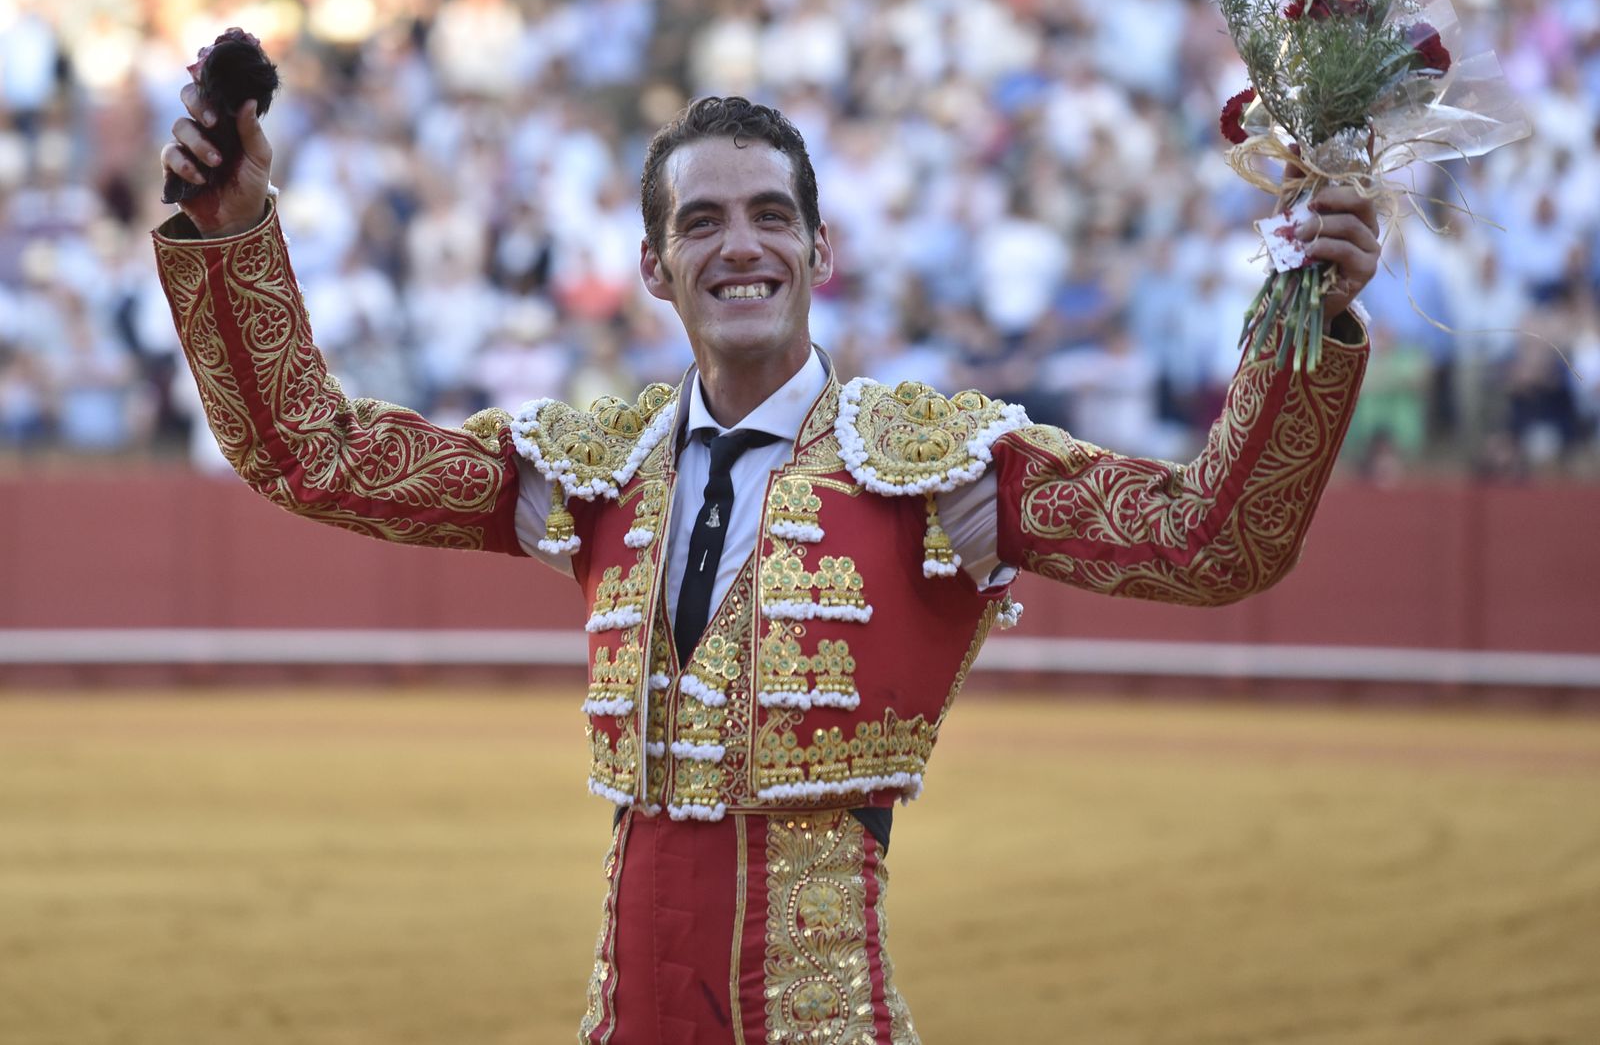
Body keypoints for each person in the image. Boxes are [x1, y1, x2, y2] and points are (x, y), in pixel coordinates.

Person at [154, 89, 1378, 1043]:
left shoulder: (932, 464)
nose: (740, 247)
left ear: (819, 250)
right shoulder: (594, 468)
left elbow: (1210, 540)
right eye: (701, 222)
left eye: (770, 217)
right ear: (654, 267)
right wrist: (233, 234)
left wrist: (1307, 313)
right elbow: (312, 455)